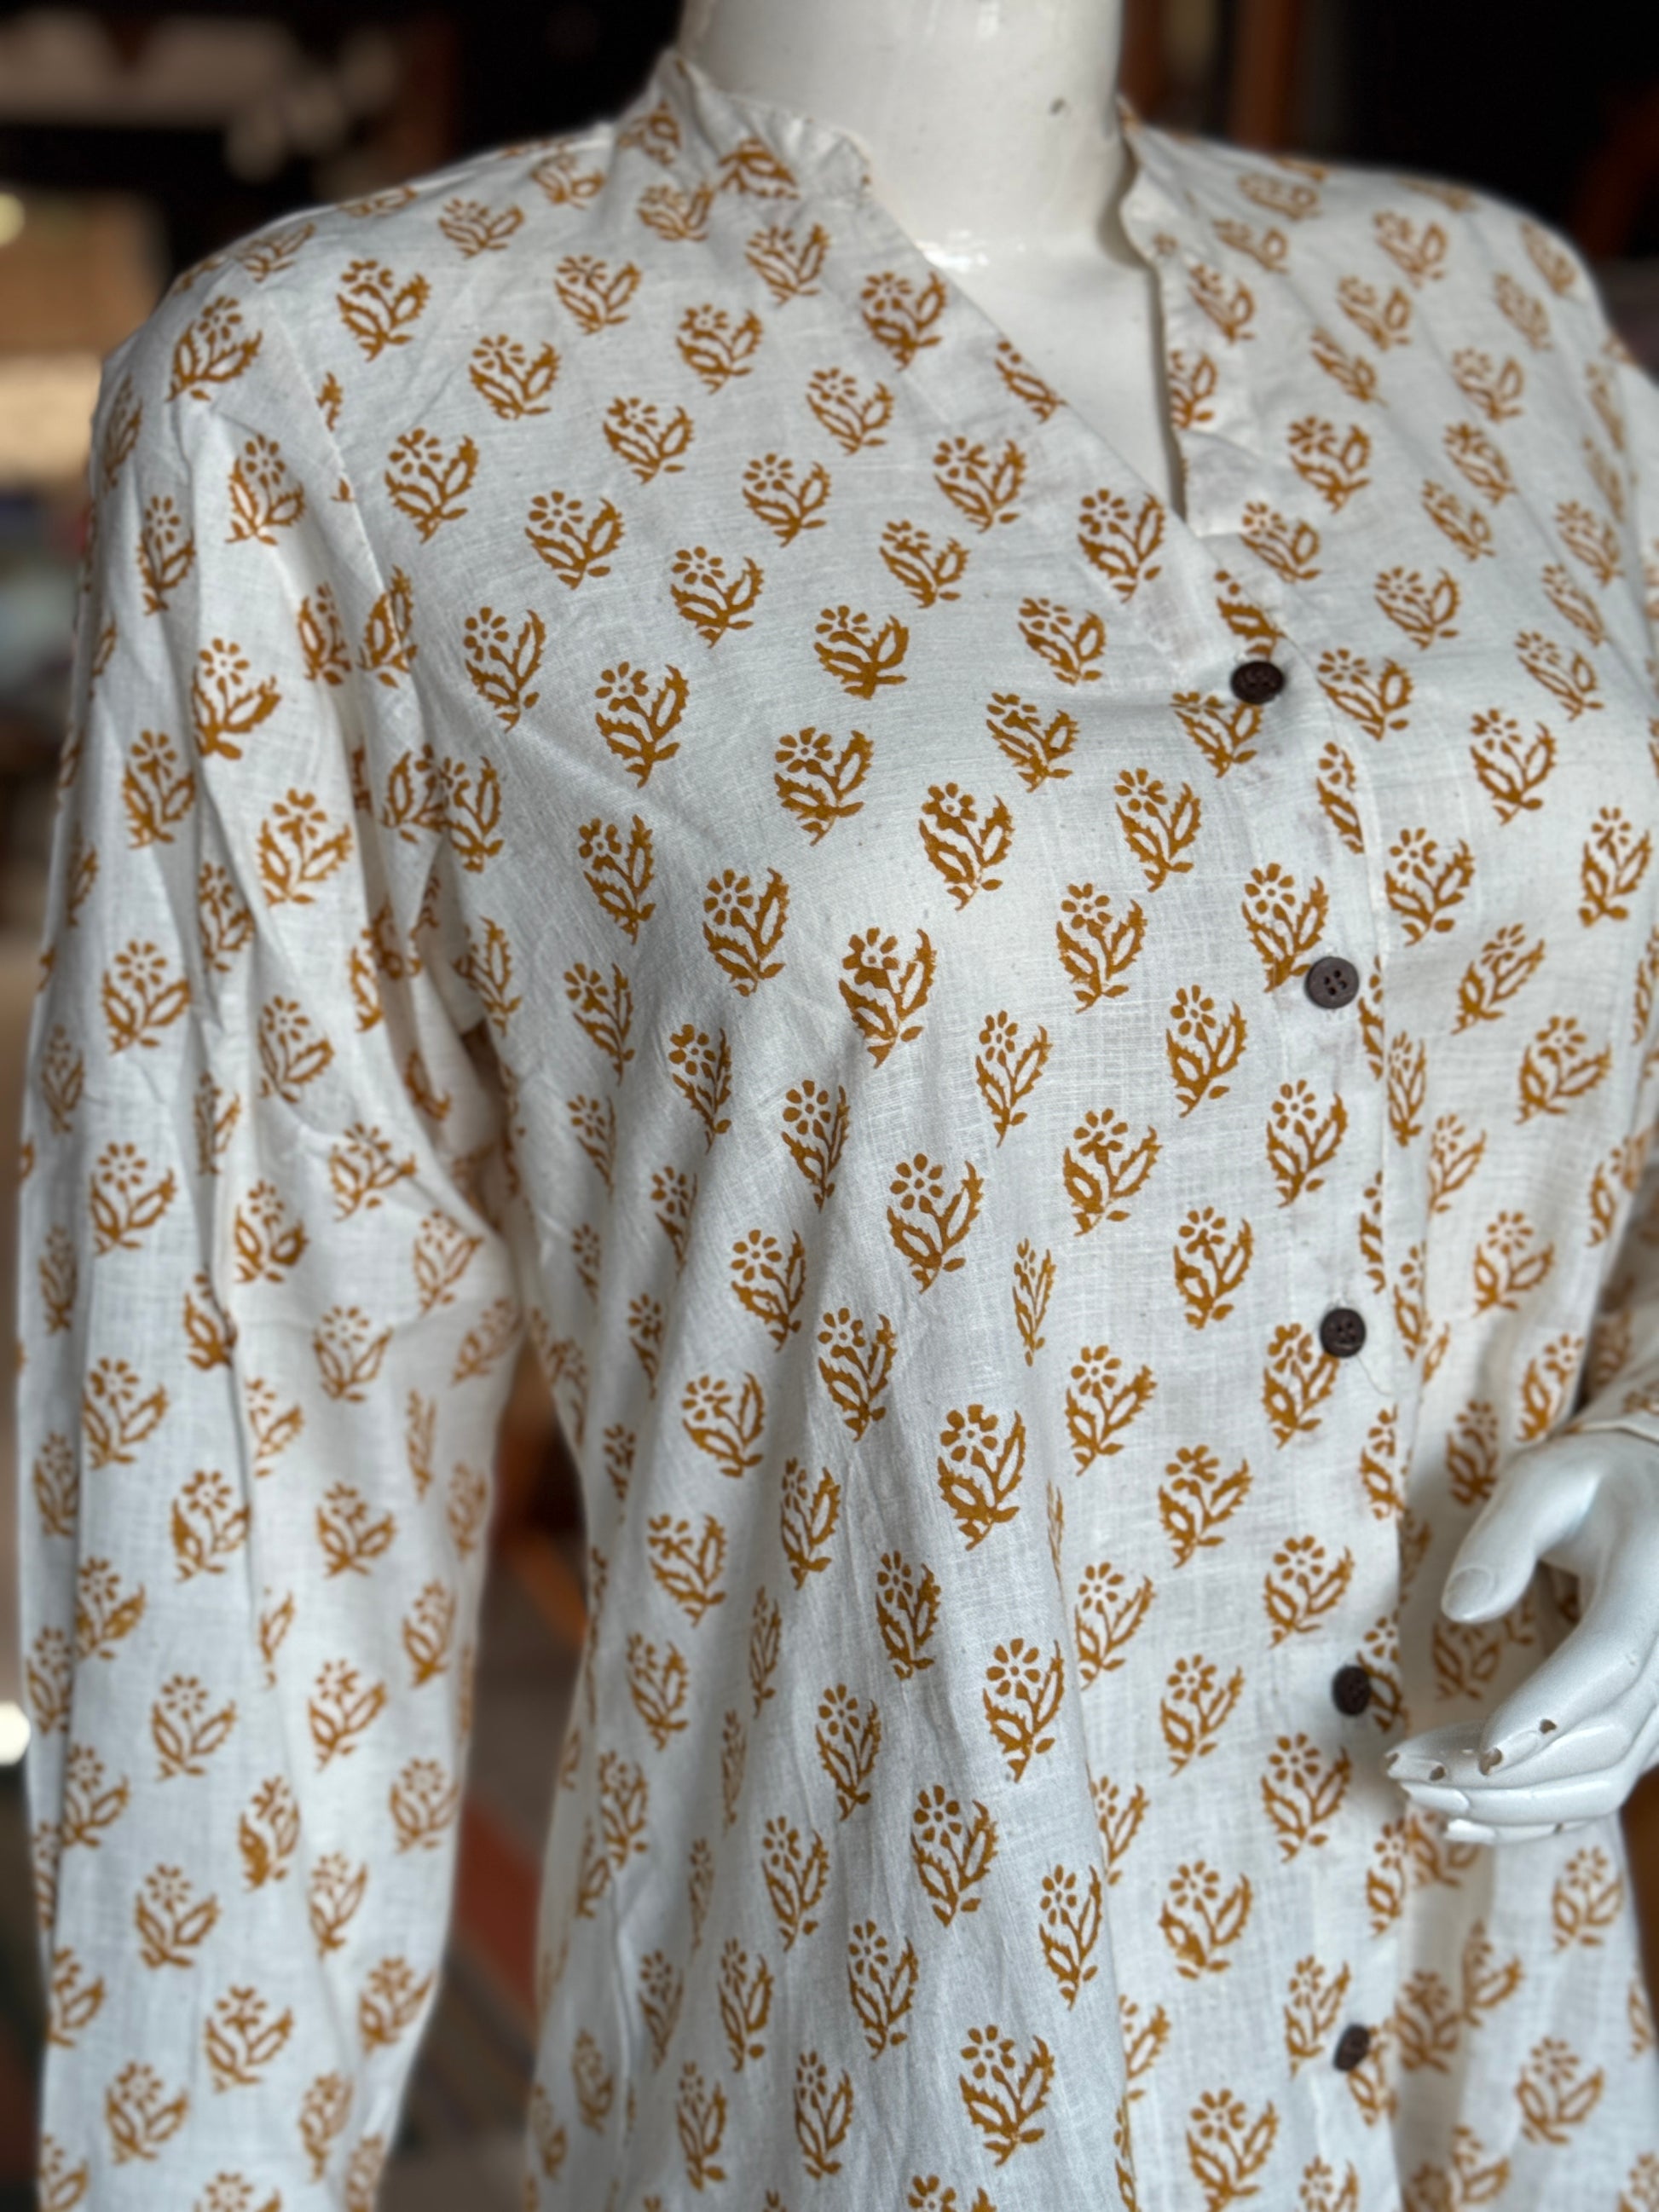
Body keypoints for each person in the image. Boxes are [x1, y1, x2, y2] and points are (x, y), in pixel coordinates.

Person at [15, 3, 1659, 2203]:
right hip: (884, 2077)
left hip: (1517, 2079)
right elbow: (231, 1459)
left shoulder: (1496, 322)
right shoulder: (339, 390)